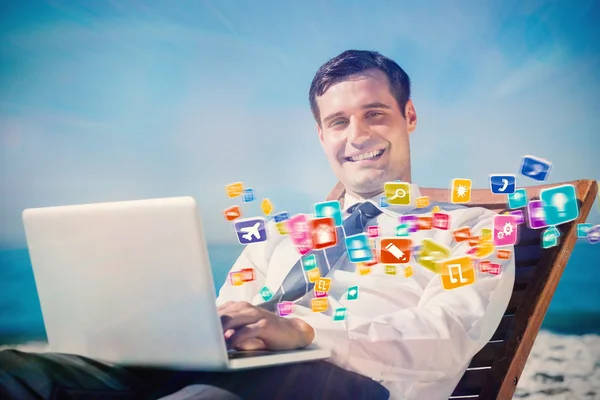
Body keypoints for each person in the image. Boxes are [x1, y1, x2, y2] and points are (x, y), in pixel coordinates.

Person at [0, 50, 515, 400]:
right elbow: (232, 314)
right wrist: (204, 327)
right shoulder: (282, 237)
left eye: (375, 114)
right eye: (338, 121)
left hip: (353, 384)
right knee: (21, 374)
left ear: (410, 116)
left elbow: (444, 337)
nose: (356, 135)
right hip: (243, 375)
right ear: (321, 135)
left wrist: (304, 331)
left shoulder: (473, 229)